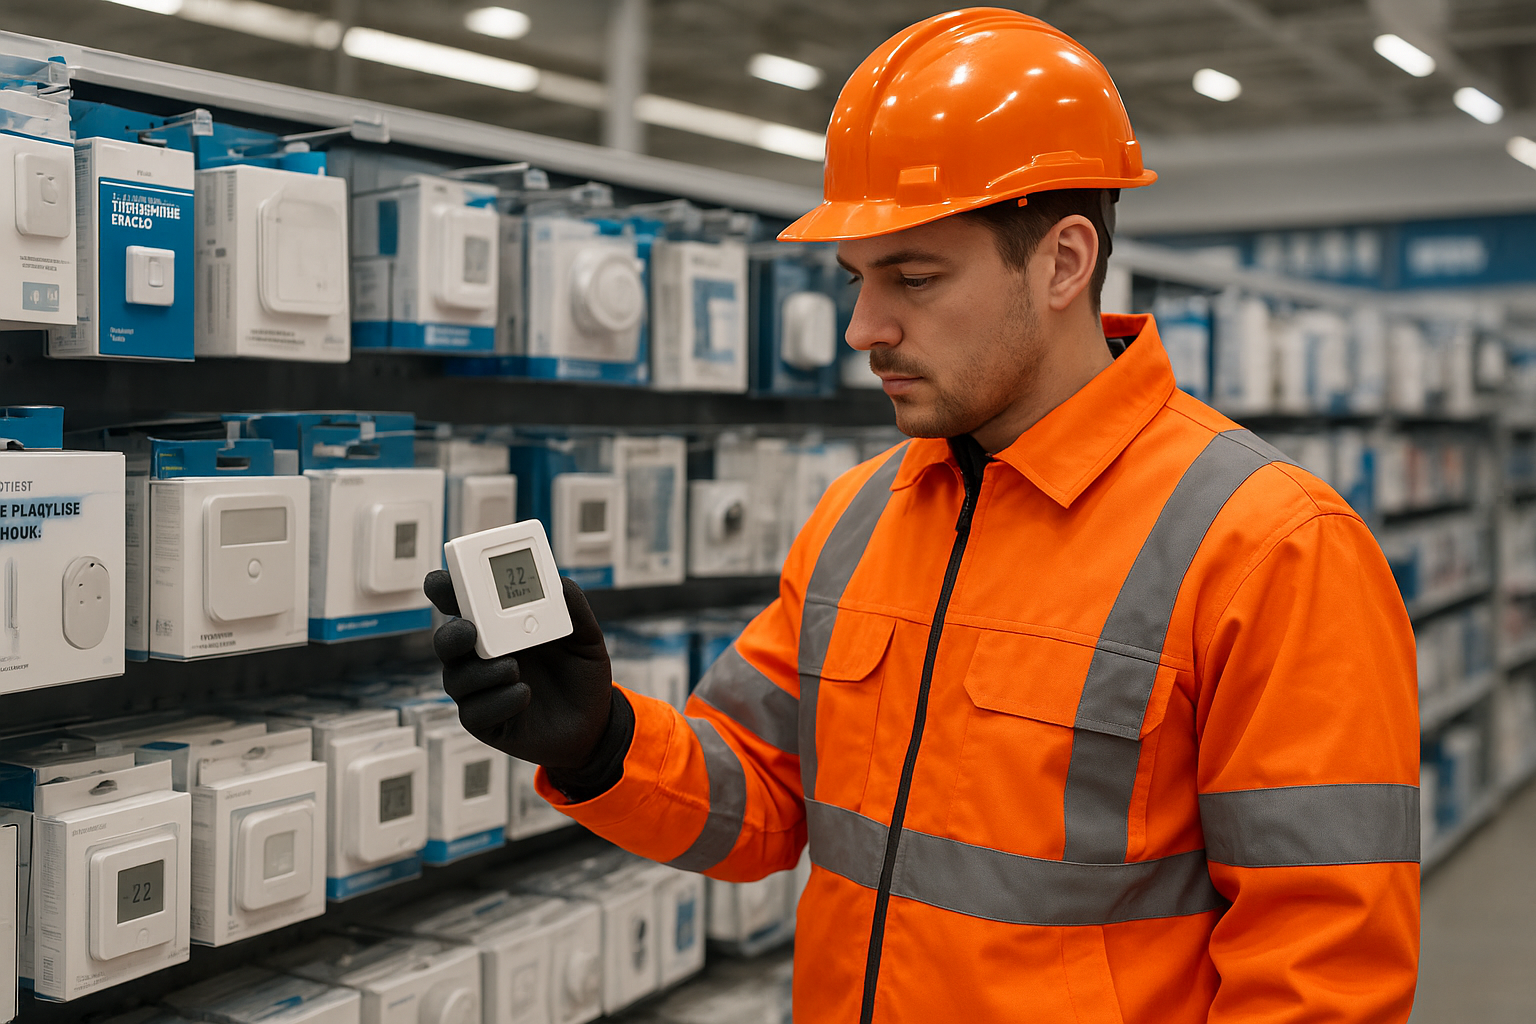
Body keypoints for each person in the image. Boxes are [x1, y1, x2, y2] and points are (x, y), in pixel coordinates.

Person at [425, 9, 1420, 1022]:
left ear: (1064, 262)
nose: (864, 328)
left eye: (914, 276)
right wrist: (600, 742)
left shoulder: (1271, 546)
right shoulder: (860, 518)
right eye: (859, 280)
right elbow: (762, 813)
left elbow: (1324, 974)